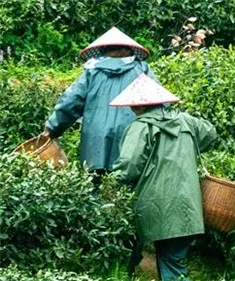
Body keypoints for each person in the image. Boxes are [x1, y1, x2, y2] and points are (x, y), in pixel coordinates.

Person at [110, 73, 217, 281]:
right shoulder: (186, 121)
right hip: (188, 203)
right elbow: (210, 134)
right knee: (173, 256)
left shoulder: (140, 128)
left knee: (162, 260)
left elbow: (129, 167)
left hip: (155, 204)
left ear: (139, 106)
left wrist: (111, 184)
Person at [42, 27, 157, 178]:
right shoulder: (142, 69)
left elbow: (70, 102)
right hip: (132, 136)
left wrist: (51, 129)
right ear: (130, 50)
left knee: (95, 187)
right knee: (130, 186)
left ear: (104, 50)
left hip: (95, 139)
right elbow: (160, 101)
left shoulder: (92, 71)